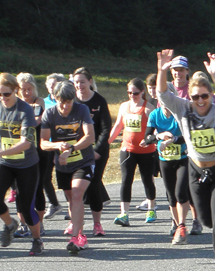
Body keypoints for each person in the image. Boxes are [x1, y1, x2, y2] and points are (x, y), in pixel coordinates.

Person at [157, 49, 215, 271]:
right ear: (189, 98)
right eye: (195, 97)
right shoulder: (183, 110)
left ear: (209, 95)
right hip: (197, 169)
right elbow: (163, 94)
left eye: (204, 96)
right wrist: (162, 70)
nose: (200, 101)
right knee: (206, 220)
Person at [0, 73, 43, 254]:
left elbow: (26, 143)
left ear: (15, 91)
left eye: (6, 94)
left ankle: (37, 239)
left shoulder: (25, 110)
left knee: (25, 207)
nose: (2, 98)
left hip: (27, 164)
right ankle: (10, 224)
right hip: (4, 162)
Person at [41, 80, 98, 254]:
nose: (65, 106)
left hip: (83, 161)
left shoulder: (82, 110)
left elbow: (90, 137)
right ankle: (76, 227)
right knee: (71, 199)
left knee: (77, 193)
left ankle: (78, 236)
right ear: (55, 98)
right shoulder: (49, 114)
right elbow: (43, 143)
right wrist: (58, 146)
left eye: (68, 102)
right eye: (61, 102)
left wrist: (72, 148)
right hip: (63, 165)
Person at [146, 99, 197, 244]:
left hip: (183, 158)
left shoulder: (180, 114)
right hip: (165, 159)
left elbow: (189, 136)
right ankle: (176, 223)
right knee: (171, 195)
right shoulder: (155, 115)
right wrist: (158, 137)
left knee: (181, 192)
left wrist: (173, 140)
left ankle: (182, 224)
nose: (166, 103)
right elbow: (147, 137)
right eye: (162, 100)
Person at [109, 77, 158, 227]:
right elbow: (118, 126)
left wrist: (150, 140)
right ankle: (124, 213)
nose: (132, 95)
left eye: (135, 93)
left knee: (147, 180)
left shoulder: (149, 108)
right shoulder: (124, 107)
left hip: (146, 151)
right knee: (126, 180)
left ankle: (151, 208)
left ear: (142, 92)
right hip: (128, 150)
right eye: (129, 92)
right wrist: (106, 143)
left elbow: (156, 130)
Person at [18, 73, 61, 225]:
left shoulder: (39, 101)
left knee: (39, 185)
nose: (26, 93)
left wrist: (20, 121)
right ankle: (23, 223)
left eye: (29, 89)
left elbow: (36, 121)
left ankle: (39, 222)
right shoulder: (15, 102)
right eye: (23, 89)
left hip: (39, 149)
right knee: (20, 188)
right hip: (20, 150)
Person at [73, 67, 112, 224]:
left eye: (82, 82)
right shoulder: (72, 101)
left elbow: (105, 129)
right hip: (76, 150)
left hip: (97, 151)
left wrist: (96, 151)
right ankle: (75, 222)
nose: (79, 85)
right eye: (76, 82)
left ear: (90, 82)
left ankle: (97, 223)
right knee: (75, 187)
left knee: (94, 184)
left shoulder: (99, 101)